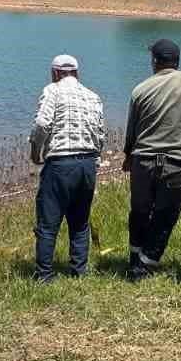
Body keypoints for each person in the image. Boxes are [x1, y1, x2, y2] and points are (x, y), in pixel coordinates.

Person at [122, 39, 181, 280]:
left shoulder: (140, 89)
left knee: (139, 211)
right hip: (175, 164)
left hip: (143, 161)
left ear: (154, 61)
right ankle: (145, 262)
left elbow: (131, 130)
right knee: (165, 215)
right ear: (177, 61)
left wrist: (128, 156)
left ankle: (135, 258)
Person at [29, 53, 106, 283]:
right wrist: (95, 161)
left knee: (48, 223)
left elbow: (42, 124)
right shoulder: (93, 96)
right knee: (80, 222)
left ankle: (44, 275)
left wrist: (36, 153)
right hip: (87, 164)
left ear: (55, 73)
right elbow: (100, 134)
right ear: (77, 73)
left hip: (61, 163)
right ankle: (79, 271)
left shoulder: (52, 90)